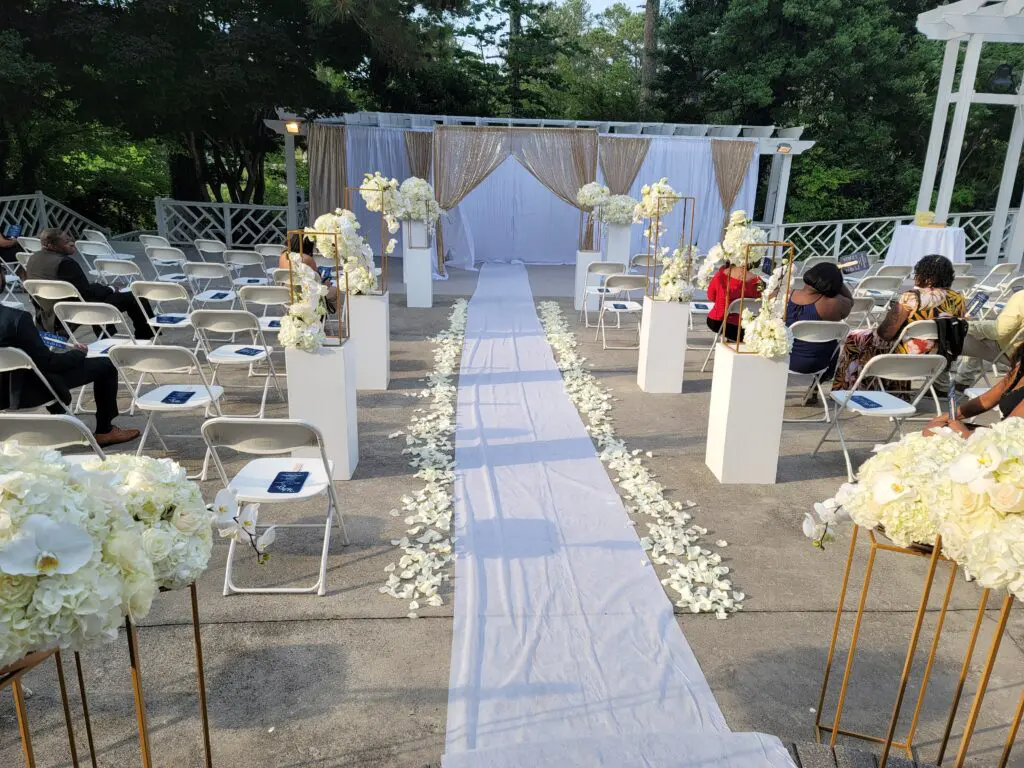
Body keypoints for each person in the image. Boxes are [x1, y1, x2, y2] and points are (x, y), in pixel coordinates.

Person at [0, 297, 140, 447]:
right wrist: (78, 354)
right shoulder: (16, 319)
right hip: (26, 392)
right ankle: (105, 431)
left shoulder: (13, 318)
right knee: (106, 366)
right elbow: (50, 363)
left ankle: (61, 416)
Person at [832, 254, 966, 390]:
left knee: (855, 337)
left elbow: (886, 334)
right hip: (939, 357)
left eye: (917, 273)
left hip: (907, 357)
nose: (915, 277)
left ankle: (847, 389)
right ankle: (894, 390)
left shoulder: (912, 297)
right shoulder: (958, 298)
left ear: (927, 278)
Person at [24, 228, 154, 338]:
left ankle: (106, 337)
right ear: (52, 246)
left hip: (49, 312)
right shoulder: (65, 263)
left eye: (70, 239)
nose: (72, 243)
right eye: (66, 242)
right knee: (136, 297)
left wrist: (103, 288)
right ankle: (145, 337)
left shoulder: (33, 258)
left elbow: (78, 290)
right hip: (75, 311)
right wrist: (110, 289)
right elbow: (86, 295)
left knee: (99, 292)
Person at [925, 340, 1024, 437]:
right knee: (933, 429)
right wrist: (947, 417)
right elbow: (986, 400)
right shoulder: (1020, 369)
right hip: (1003, 432)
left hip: (1012, 437)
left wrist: (966, 433)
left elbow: (1012, 425)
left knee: (943, 434)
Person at [786, 262, 854, 376]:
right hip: (820, 362)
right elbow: (850, 302)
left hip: (785, 360)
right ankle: (821, 382)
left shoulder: (784, 296)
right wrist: (836, 282)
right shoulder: (834, 304)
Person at [953, 288, 1024, 390]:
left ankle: (941, 384)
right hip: (1016, 355)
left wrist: (967, 325)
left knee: (955, 335)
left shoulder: (1021, 297)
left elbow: (998, 331)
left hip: (1012, 355)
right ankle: (963, 380)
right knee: (979, 333)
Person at [705, 260, 764, 342]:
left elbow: (711, 297)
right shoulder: (757, 280)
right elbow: (760, 303)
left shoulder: (720, 275)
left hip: (718, 323)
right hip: (746, 329)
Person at [279, 233, 339, 309]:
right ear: (309, 245)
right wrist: (326, 285)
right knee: (335, 290)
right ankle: (324, 313)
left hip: (286, 295)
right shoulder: (308, 259)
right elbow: (315, 283)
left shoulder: (283, 256)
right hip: (305, 297)